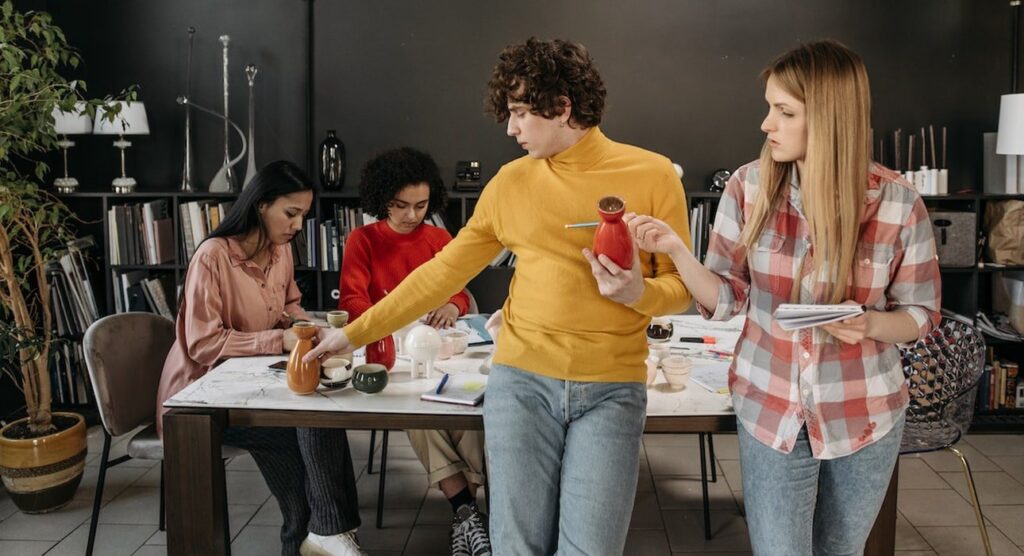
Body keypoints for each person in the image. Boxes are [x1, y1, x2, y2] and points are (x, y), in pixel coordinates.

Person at [306, 37, 692, 554]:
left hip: (612, 390)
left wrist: (639, 292)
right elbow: (441, 273)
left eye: (519, 112)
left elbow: (681, 289)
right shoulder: (510, 182)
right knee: (517, 548)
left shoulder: (653, 174)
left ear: (561, 107)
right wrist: (352, 335)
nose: (510, 128)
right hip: (521, 384)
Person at [626, 40, 941, 555]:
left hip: (864, 412)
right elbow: (727, 298)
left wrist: (869, 324)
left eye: (784, 111)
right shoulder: (748, 188)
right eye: (769, 107)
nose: (766, 124)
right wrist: (677, 252)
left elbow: (922, 314)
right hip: (770, 407)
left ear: (831, 118)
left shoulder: (898, 204)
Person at [156, 161, 364, 556]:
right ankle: (325, 534)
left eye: (303, 215)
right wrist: (277, 340)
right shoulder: (213, 257)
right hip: (199, 401)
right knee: (303, 431)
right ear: (261, 205)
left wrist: (310, 330)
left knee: (324, 416)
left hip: (251, 385)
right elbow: (202, 343)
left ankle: (331, 533)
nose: (298, 225)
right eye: (291, 213)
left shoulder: (280, 251)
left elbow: (290, 306)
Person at [338, 147, 489, 555]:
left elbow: (459, 291)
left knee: (467, 410)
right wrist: (389, 320)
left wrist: (452, 305)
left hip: (440, 347)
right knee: (417, 407)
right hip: (389, 349)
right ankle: (468, 513)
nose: (411, 215)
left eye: (421, 205)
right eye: (401, 205)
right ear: (382, 199)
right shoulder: (362, 240)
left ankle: (465, 516)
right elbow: (352, 300)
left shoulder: (439, 238)